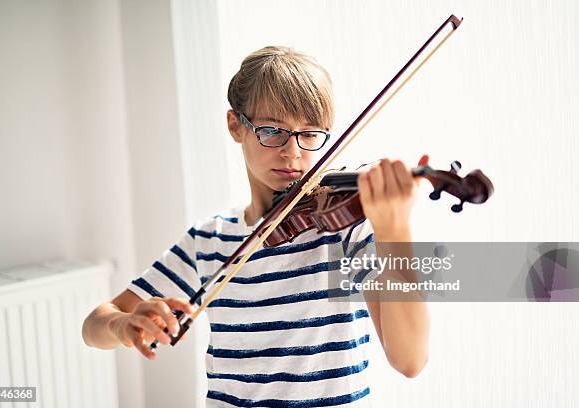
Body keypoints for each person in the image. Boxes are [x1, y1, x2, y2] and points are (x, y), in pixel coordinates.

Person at [82, 45, 430, 407]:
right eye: (272, 130)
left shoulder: (344, 231)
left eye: (310, 134)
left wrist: (396, 232)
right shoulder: (209, 241)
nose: (292, 153)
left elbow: (410, 360)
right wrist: (124, 326)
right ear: (236, 125)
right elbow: (95, 325)